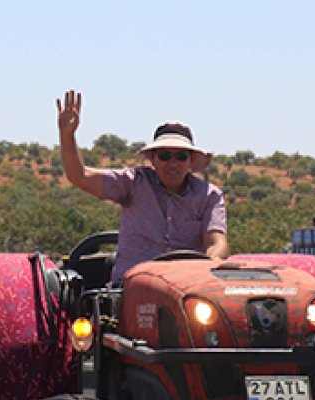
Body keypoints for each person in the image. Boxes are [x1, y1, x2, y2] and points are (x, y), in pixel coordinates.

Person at [56, 89, 228, 282]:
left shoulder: (209, 196)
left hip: (185, 288)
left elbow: (217, 242)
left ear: (190, 161)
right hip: (131, 288)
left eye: (181, 156)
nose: (173, 163)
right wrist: (67, 134)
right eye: (164, 155)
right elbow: (80, 176)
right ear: (153, 160)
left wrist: (210, 266)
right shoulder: (134, 183)